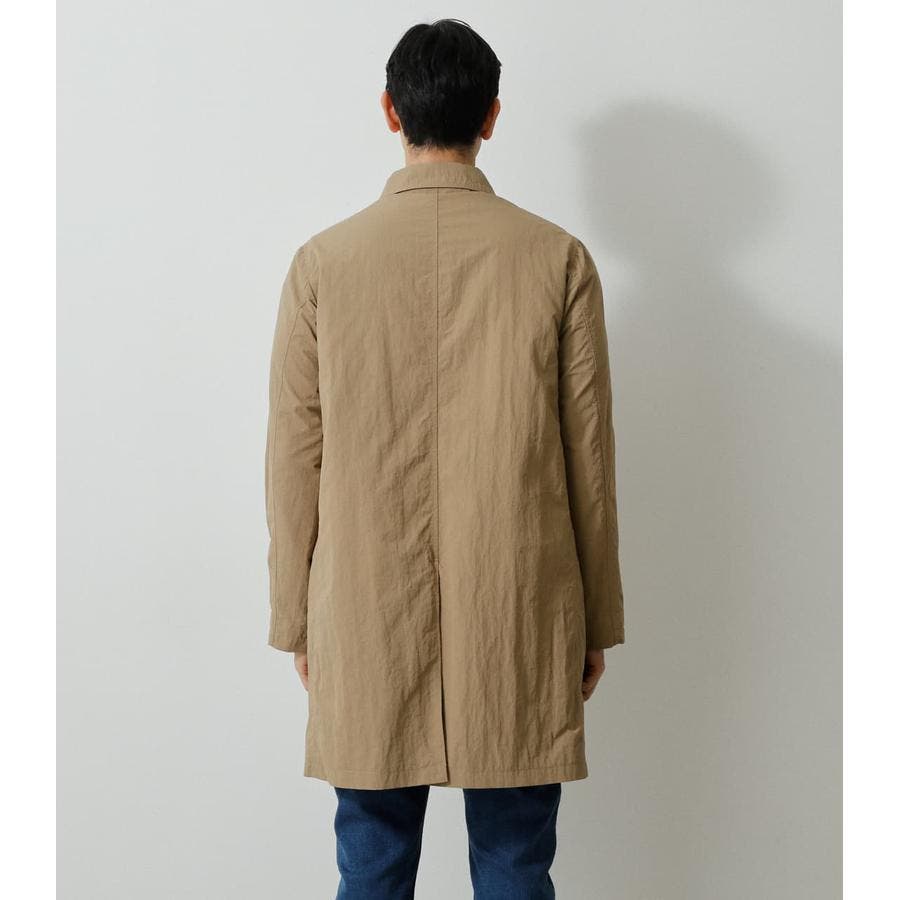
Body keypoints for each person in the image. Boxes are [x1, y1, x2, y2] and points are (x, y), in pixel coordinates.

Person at [264, 18, 625, 898]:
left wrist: (298, 618)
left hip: (365, 609)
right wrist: (594, 617)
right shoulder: (558, 260)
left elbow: (292, 458)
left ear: (391, 110)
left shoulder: (323, 264)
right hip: (519, 607)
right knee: (515, 864)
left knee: (371, 864)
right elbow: (589, 459)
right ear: (492, 116)